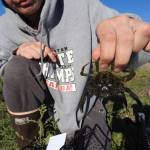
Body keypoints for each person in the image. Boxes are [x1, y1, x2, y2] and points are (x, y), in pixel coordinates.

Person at [0, 0, 150, 149]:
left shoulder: (83, 5)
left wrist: (133, 34)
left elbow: (130, 33)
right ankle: (30, 143)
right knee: (17, 66)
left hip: (81, 102)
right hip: (41, 103)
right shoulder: (3, 27)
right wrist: (17, 53)